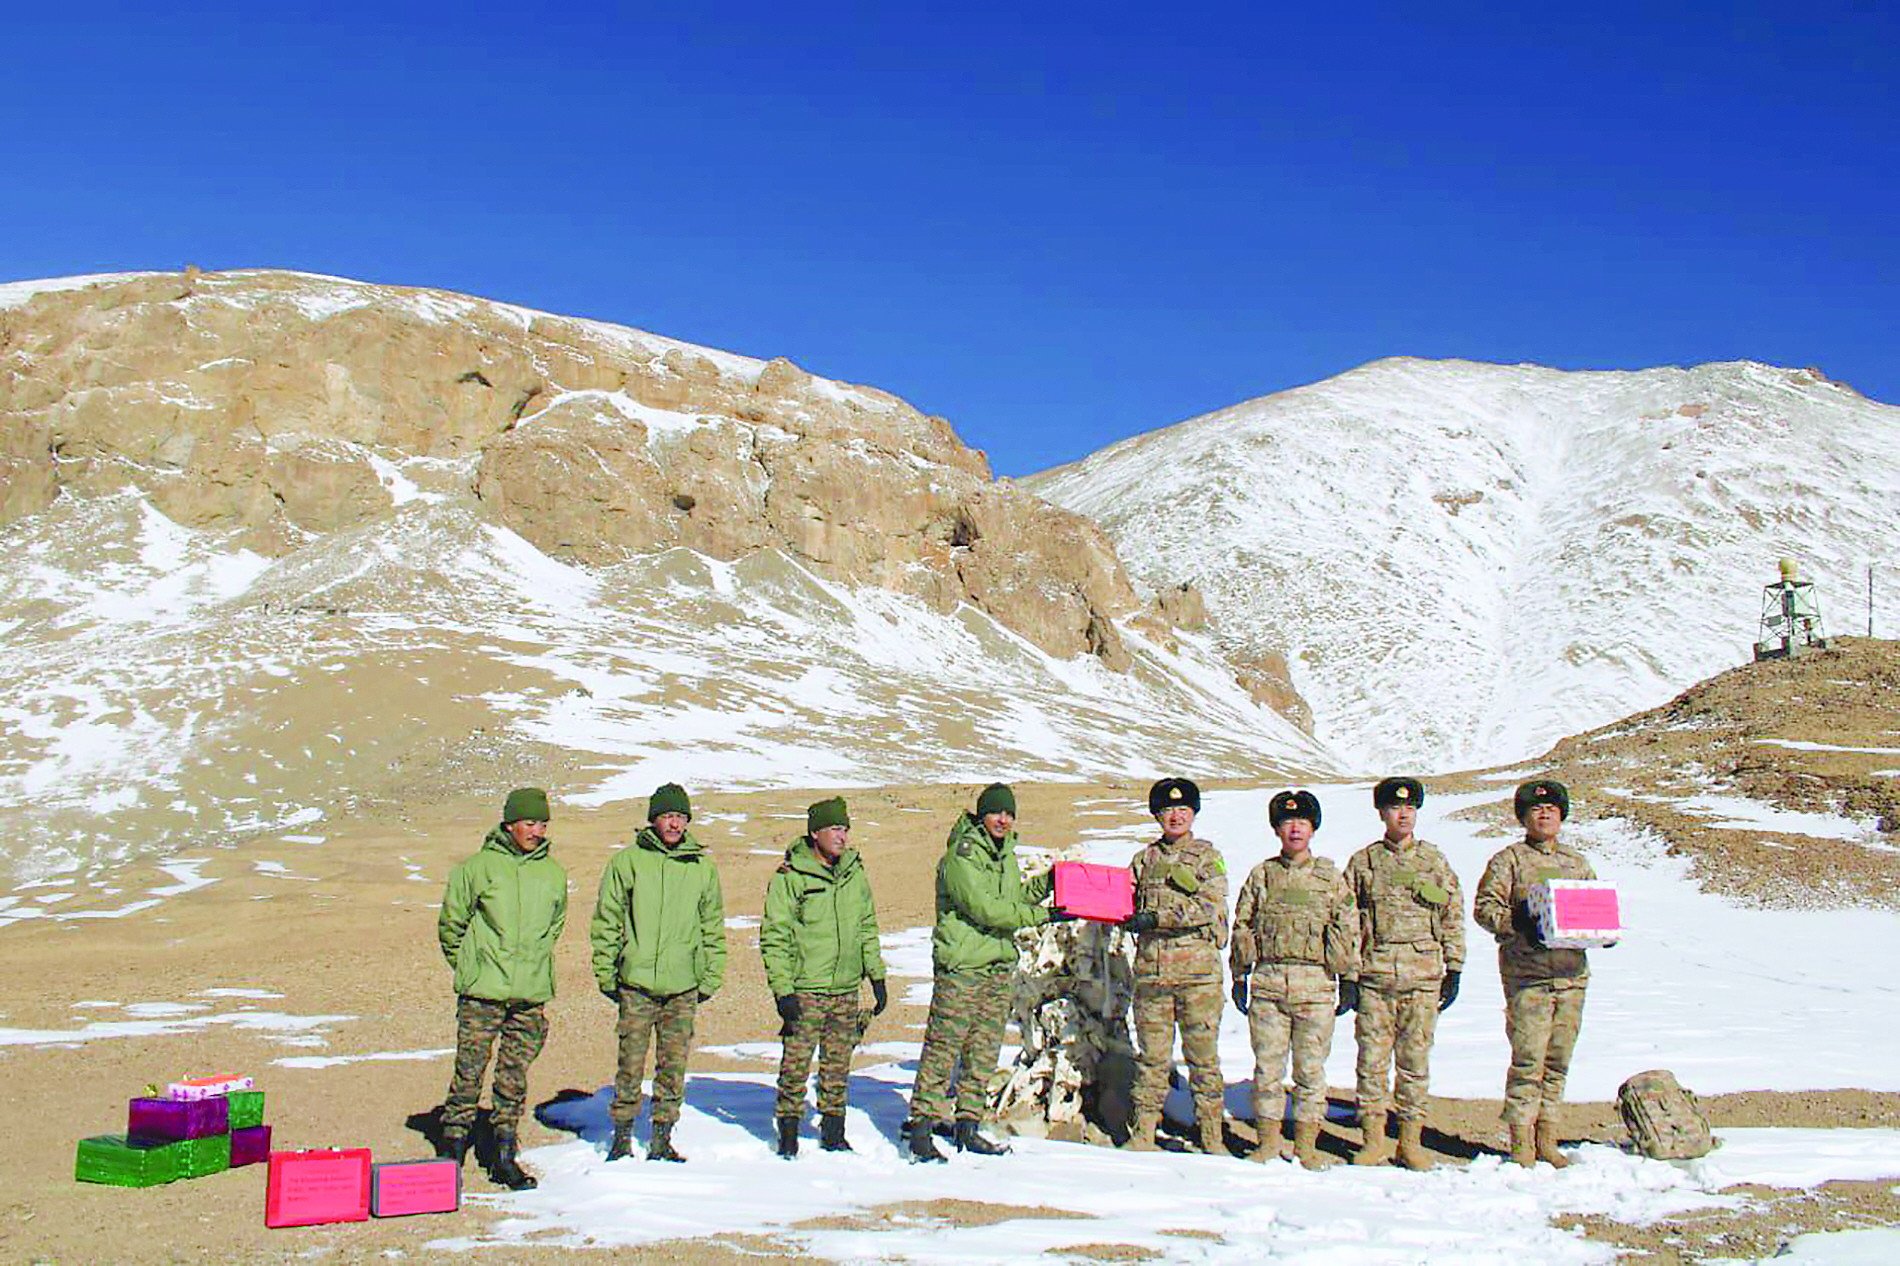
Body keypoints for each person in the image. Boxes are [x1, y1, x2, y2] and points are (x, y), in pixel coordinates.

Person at [904, 782, 1068, 1163]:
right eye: (997, 813)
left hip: (996, 967)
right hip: (963, 968)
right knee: (943, 1049)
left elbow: (1012, 898)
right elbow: (988, 910)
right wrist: (1043, 916)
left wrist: (1050, 883)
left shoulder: (1003, 856)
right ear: (982, 814)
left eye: (1009, 814)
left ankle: (967, 1124)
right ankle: (922, 1127)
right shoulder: (961, 857)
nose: (1003, 820)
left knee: (983, 1051)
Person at [436, 787, 568, 1192]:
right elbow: (451, 926)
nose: (537, 830)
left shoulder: (553, 873)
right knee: (469, 1070)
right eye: (530, 823)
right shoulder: (477, 869)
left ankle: (504, 1153)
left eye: (543, 823)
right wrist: (472, 968)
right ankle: (452, 1149)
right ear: (509, 823)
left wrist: (535, 963)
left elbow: (555, 925)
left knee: (514, 1077)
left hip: (529, 993)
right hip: (483, 992)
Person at [591, 783, 727, 1163]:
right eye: (668, 816)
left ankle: (662, 1137)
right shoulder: (628, 863)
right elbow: (607, 921)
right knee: (629, 1063)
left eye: (681, 817)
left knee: (674, 1064)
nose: (675, 824)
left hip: (683, 985)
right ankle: (621, 1136)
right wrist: (607, 973)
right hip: (637, 983)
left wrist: (711, 975)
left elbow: (712, 925)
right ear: (653, 819)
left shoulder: (701, 867)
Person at [1230, 789, 1357, 1167]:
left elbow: (1348, 927)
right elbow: (1243, 925)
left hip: (1316, 986)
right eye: (1288, 822)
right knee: (1267, 1069)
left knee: (1310, 1071)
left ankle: (1307, 1145)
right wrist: (1240, 976)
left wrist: (1349, 977)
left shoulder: (1330, 877)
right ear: (1276, 829)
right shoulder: (1262, 875)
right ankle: (1268, 1142)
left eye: (1302, 821)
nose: (1295, 828)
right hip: (1269, 984)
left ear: (1313, 828)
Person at [1473, 779, 1596, 1168]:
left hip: (1571, 975)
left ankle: (1548, 1136)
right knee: (1528, 1061)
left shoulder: (1577, 863)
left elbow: (1592, 904)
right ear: (1524, 817)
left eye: (1552, 810)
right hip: (1528, 978)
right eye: (1536, 810)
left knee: (1558, 1060)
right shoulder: (1508, 860)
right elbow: (1484, 909)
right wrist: (1517, 921)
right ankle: (1521, 1142)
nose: (1544, 815)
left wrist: (1601, 929)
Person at [1344, 777, 1465, 1170]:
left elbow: (1452, 912)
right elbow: (1346, 920)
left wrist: (1455, 966)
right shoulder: (1363, 863)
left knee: (1415, 1064)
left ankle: (1410, 1142)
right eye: (1396, 808)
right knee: (1372, 1063)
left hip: (1423, 978)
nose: (1403, 814)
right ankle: (1374, 1140)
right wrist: (1349, 974)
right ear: (1382, 813)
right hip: (1376, 978)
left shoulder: (1433, 861)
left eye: (1410, 808)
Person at [761, 796, 888, 1158]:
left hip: (845, 987)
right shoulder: (792, 877)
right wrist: (783, 990)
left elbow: (866, 926)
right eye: (835, 829)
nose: (842, 837)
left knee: (837, 1064)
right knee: (796, 1064)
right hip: (807, 989)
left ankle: (834, 1131)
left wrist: (876, 976)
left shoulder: (854, 873)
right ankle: (787, 1131)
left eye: (845, 829)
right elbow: (775, 935)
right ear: (815, 832)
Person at [1122, 777, 1230, 1155]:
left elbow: (1210, 907)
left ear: (1193, 813)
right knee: (1151, 1059)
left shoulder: (1206, 857)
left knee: (1203, 1059)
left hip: (1198, 977)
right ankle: (1145, 1133)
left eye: (1183, 809)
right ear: (1157, 815)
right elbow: (1124, 904)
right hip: (1153, 976)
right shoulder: (1144, 860)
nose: (1175, 816)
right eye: (1167, 810)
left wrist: (1158, 918)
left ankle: (1212, 1136)